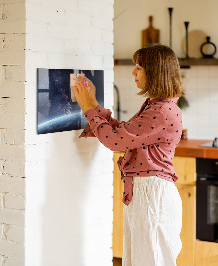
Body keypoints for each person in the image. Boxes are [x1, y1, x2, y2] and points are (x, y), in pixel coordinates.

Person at [72, 44, 184, 266]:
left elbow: (115, 141)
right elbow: (123, 133)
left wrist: (87, 108)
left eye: (139, 67)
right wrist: (93, 103)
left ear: (155, 72)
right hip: (147, 193)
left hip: (152, 195)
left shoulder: (161, 111)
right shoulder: (157, 106)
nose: (133, 72)